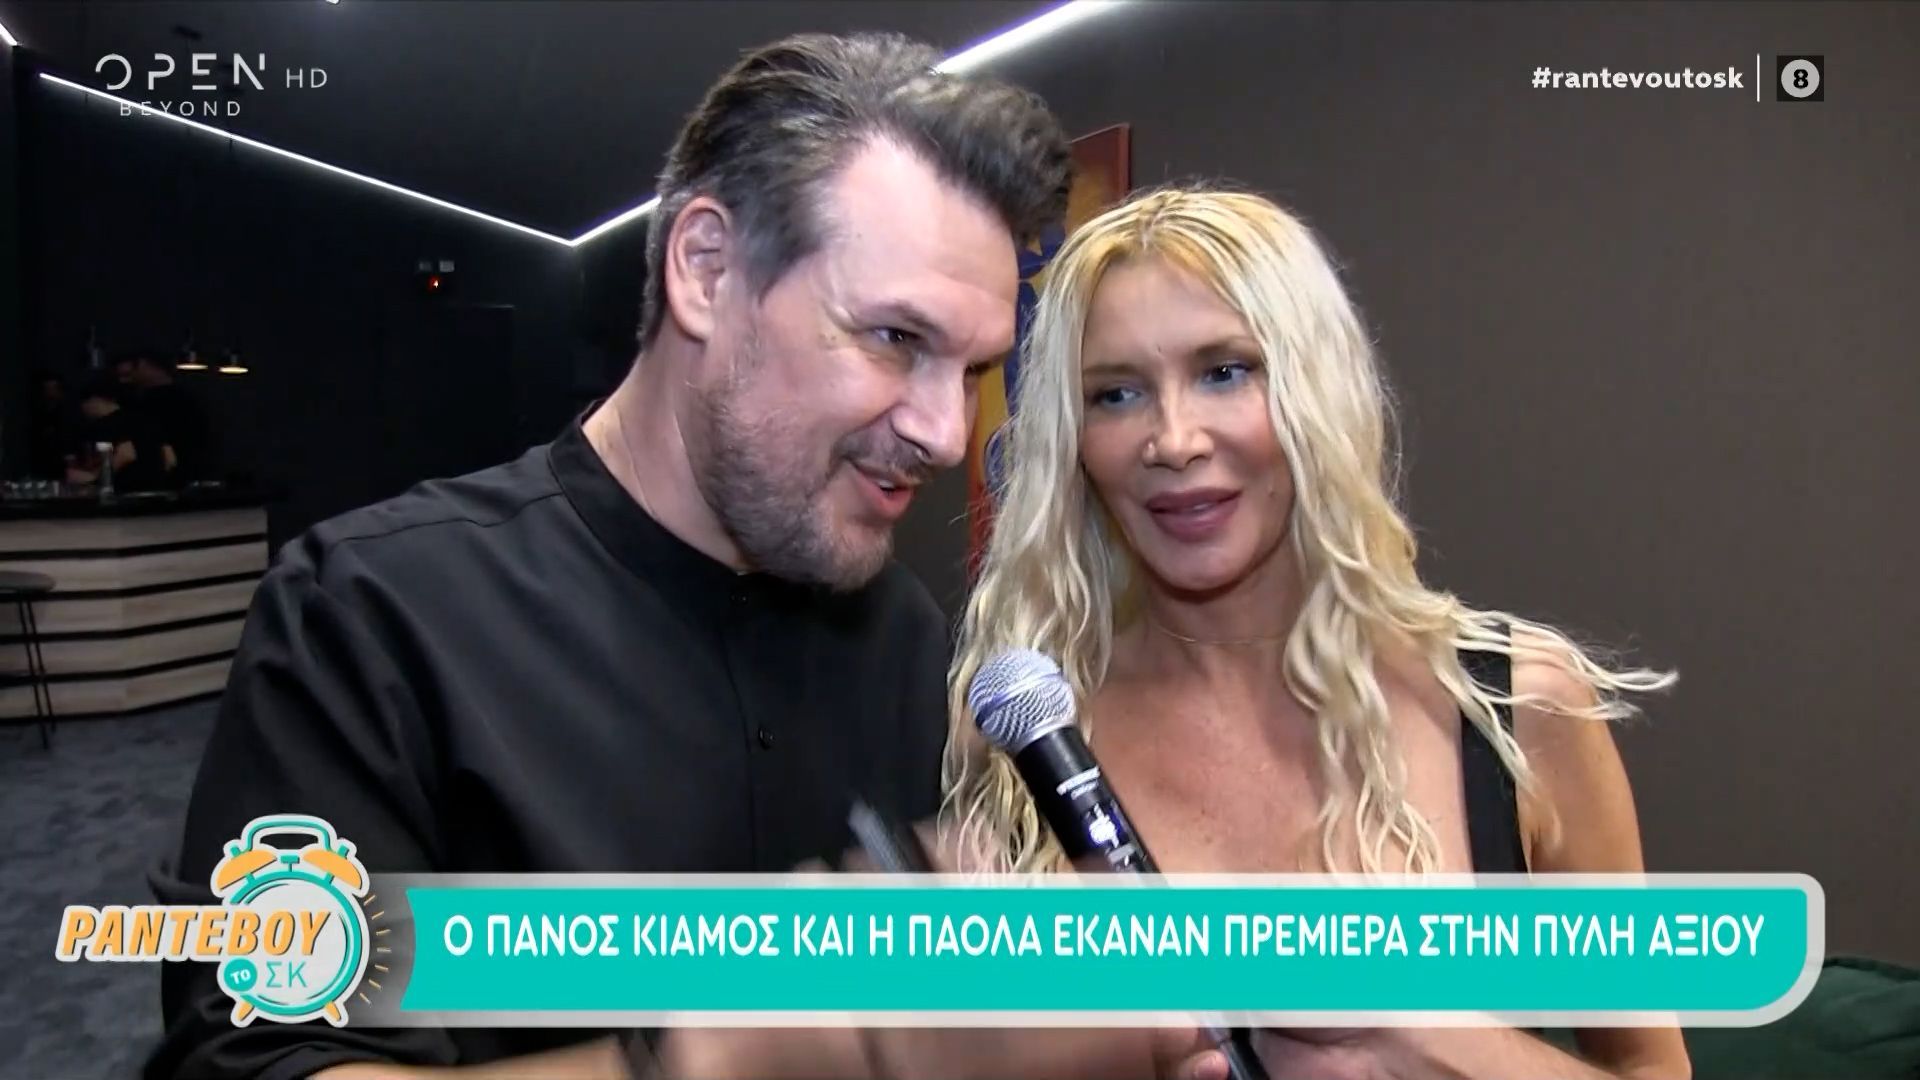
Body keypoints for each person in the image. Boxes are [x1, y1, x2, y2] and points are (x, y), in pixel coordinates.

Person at [147, 31, 1217, 1080]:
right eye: (897, 339)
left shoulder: (907, 640)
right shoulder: (371, 618)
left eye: (973, 370)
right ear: (706, 270)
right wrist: (715, 1056)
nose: (944, 433)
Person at [941, 186, 1694, 1080]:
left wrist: (1428, 1041)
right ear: (1073, 438)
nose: (1173, 439)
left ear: (1315, 389)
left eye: (1226, 371)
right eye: (1116, 394)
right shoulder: (1022, 743)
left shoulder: (1515, 707)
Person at [119, 348, 210, 483]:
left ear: (144, 365)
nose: (125, 380)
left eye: (128, 374)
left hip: (162, 478)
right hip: (190, 475)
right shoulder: (190, 400)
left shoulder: (147, 404)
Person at [65, 376, 171, 491]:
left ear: (94, 400)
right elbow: (170, 459)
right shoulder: (145, 420)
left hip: (125, 493)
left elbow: (126, 454)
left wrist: (95, 479)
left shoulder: (105, 425)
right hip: (156, 492)